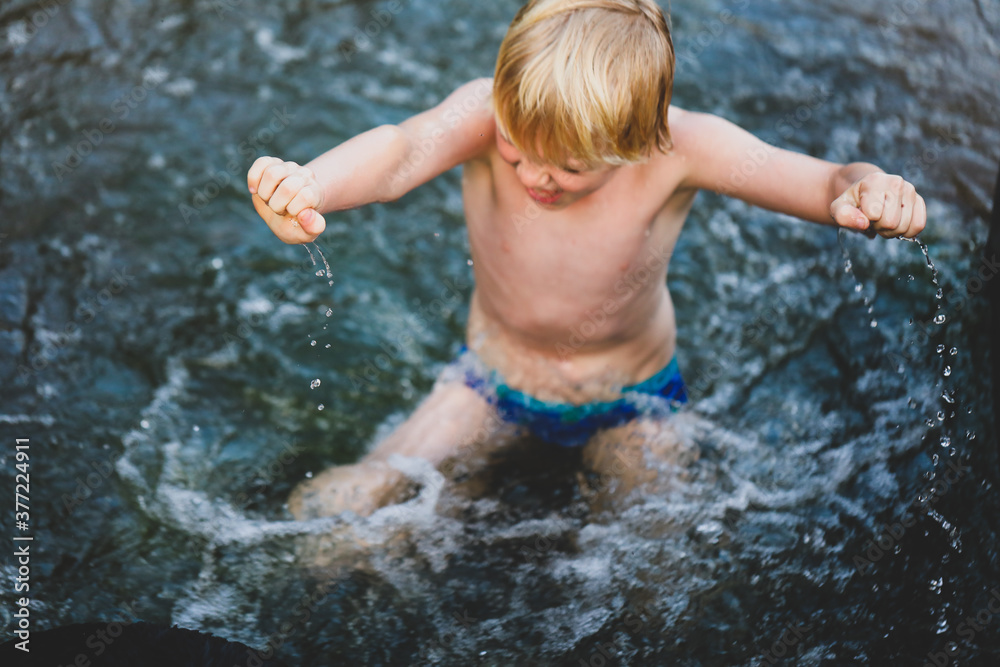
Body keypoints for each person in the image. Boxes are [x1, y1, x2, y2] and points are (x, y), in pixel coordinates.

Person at [246, 0, 926, 518]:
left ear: (638, 139)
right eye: (517, 145)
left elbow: (821, 179)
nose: (535, 175)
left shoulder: (682, 148)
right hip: (488, 383)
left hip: (634, 402)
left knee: (660, 567)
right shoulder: (485, 114)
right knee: (348, 514)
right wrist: (312, 185)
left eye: (569, 166)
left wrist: (867, 189)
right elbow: (400, 151)